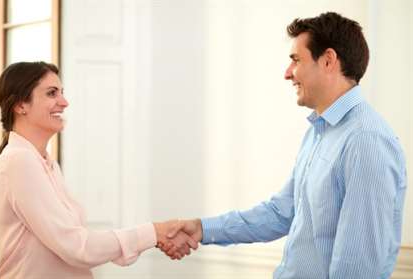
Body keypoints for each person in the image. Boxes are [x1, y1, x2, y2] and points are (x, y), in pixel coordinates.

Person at [161, 12, 407, 279]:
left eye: (296, 60)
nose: (287, 73)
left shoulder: (366, 141)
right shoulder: (319, 132)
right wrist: (202, 229)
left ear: (328, 60)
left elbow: (357, 268)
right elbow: (281, 212)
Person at [0, 61, 197, 279]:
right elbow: (77, 248)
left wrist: (155, 236)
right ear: (20, 105)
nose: (64, 102)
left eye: (62, 93)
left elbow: (79, 244)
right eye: (52, 93)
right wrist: (155, 232)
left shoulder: (45, 163)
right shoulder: (19, 162)